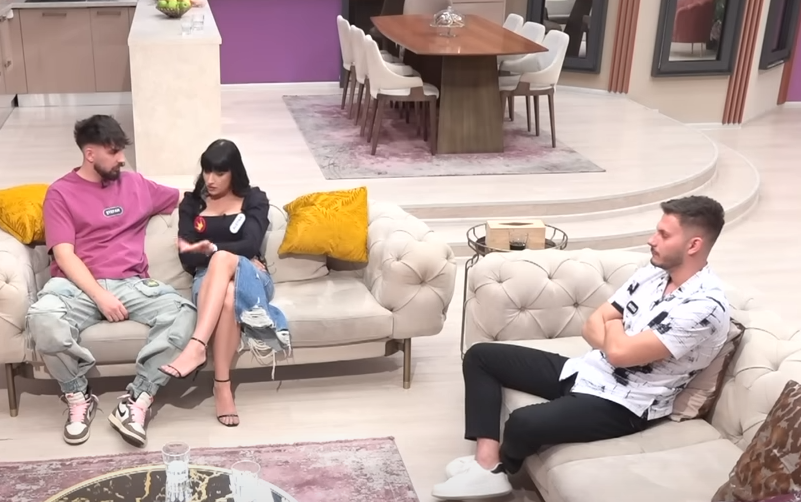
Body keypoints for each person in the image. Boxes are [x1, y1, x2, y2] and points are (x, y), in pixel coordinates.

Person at [433, 195, 731, 500]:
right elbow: (591, 326)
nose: (651, 240)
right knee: (481, 356)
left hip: (625, 405)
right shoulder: (653, 273)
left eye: (664, 235)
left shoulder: (704, 306)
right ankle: (487, 464)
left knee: (522, 422)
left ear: (693, 245)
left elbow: (618, 350)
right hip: (588, 369)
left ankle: (499, 469)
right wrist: (617, 339)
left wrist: (614, 325)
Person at [25, 115, 197, 448]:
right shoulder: (60, 193)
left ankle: (137, 400)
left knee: (185, 313)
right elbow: (64, 255)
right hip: (76, 287)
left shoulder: (135, 184)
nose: (121, 158)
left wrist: (236, 197)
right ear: (90, 154)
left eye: (122, 150)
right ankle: (78, 396)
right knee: (42, 317)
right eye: (114, 151)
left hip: (132, 284)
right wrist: (100, 296)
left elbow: (184, 198)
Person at [157, 139, 271, 427]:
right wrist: (233, 251)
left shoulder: (254, 199)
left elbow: (252, 243)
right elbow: (187, 255)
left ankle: (197, 346)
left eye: (220, 173)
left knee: (221, 260)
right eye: (207, 171)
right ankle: (222, 387)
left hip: (252, 274)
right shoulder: (192, 203)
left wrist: (214, 250)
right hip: (207, 281)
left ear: (234, 172)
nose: (211, 179)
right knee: (228, 296)